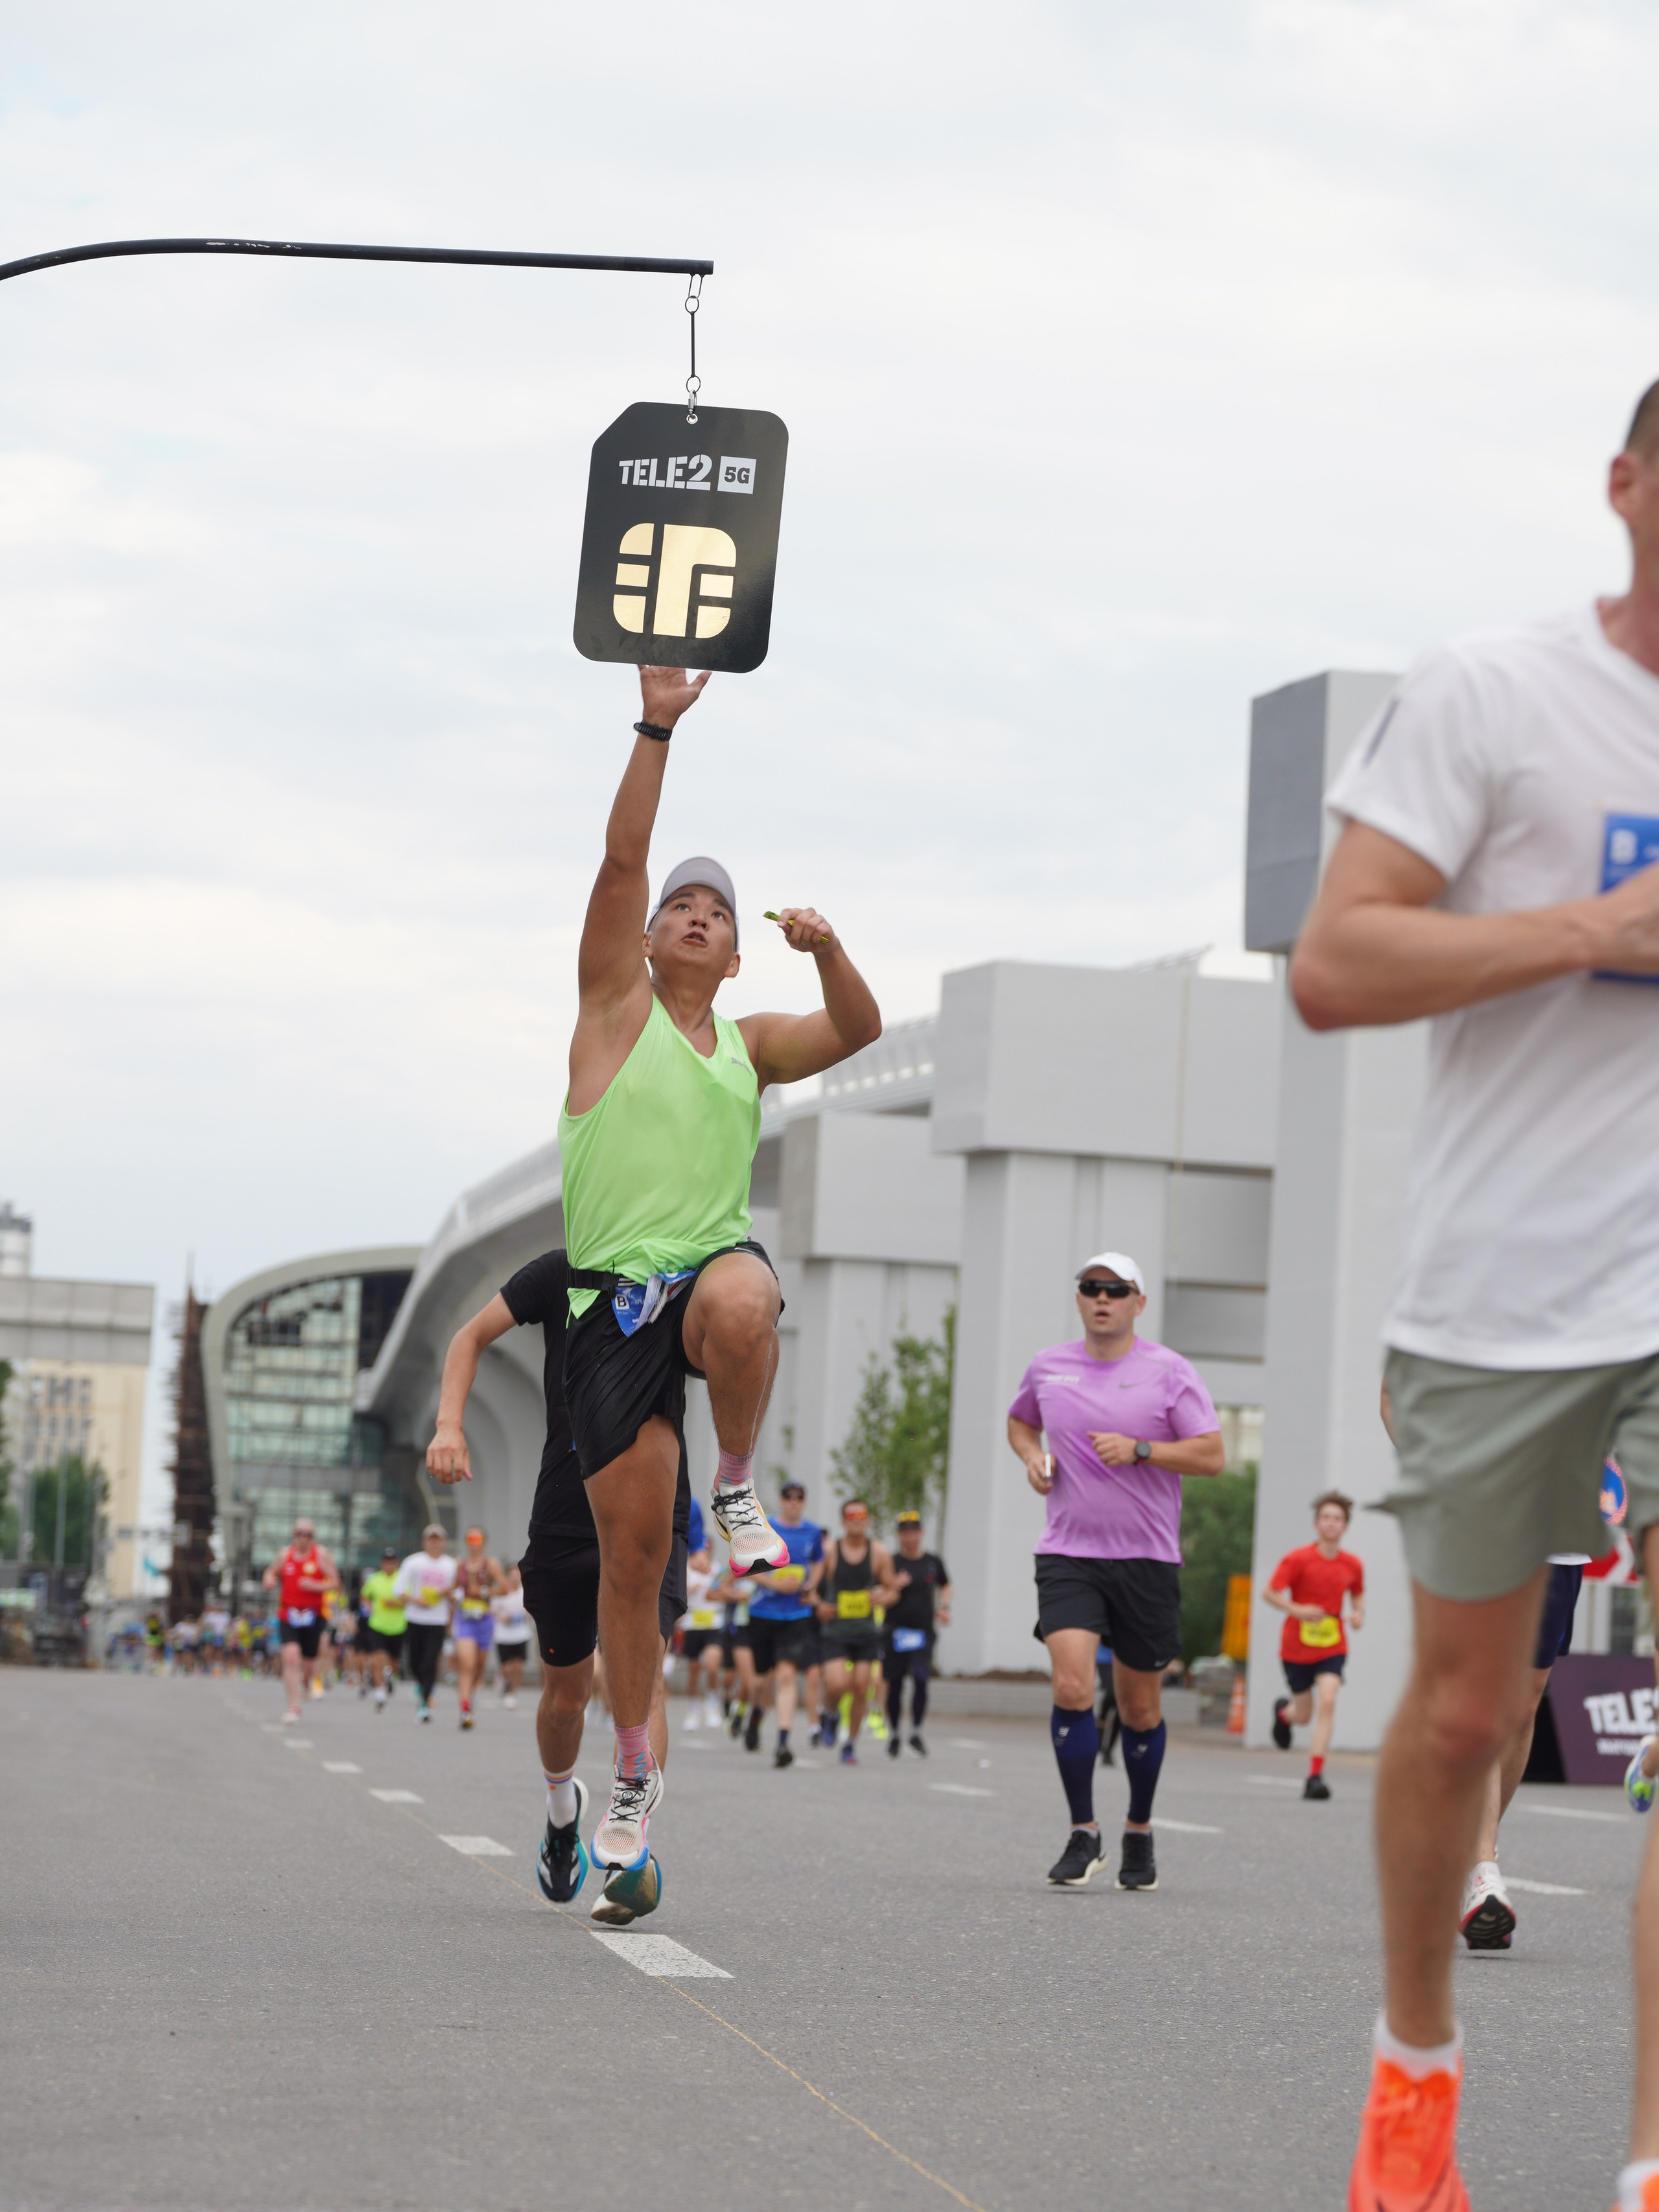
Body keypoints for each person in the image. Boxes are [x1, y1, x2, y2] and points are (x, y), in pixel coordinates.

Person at [1289, 378, 1659, 2212]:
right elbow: (1335, 960)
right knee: (1460, 1711)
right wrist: (1593, 928)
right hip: (1512, 1284)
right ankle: (1417, 2064)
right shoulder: (1501, 693)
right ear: (1625, 484)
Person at [556, 664, 882, 1875]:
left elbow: (855, 1031)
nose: (697, 913)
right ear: (646, 944)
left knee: (748, 1284)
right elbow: (622, 861)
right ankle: (633, 1780)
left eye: (720, 911)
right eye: (682, 906)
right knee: (633, 1565)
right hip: (605, 1310)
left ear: (738, 955)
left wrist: (831, 948)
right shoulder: (611, 1011)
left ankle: (736, 1481)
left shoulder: (747, 1045)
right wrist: (656, 725)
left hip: (699, 1289)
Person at [427, 1246, 688, 1926]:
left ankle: (630, 1847)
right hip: (566, 1515)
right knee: (565, 1697)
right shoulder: (559, 1270)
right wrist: (450, 1424)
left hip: (656, 1502)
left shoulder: (683, 1264)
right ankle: (560, 1806)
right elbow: (469, 1336)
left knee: (646, 1677)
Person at [1007, 1253, 1224, 1892]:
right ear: (1079, 1298)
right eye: (1090, 1287)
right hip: (1069, 1552)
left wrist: (1143, 1450)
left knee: (1138, 1707)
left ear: (1138, 1301)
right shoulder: (1049, 1366)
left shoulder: (1168, 1371)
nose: (1102, 1297)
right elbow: (1022, 1420)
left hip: (1146, 1559)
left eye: (1115, 1289)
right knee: (1072, 1685)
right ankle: (1083, 1830)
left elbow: (1211, 1454)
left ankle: (1138, 1827)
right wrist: (1031, 1456)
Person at [1265, 1492, 1365, 1801]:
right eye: (1326, 1518)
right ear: (1316, 1524)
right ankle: (1285, 1715)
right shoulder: (1298, 1559)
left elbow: (1358, 1596)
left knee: (1328, 1701)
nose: (1331, 1523)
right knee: (1304, 1715)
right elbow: (1270, 1593)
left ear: (1345, 1527)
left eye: (1338, 1519)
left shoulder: (1353, 1564)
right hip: (1296, 1645)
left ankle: (1315, 1776)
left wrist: (1358, 1614)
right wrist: (1296, 1609)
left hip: (1333, 1645)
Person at [742, 1478, 825, 1768]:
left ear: (804, 1501)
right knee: (761, 1680)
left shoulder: (813, 1532)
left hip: (795, 1617)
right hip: (764, 1613)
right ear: (781, 1500)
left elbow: (819, 1563)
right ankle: (755, 1713)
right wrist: (775, 1585)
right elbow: (747, 1567)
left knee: (787, 1677)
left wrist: (810, 1587)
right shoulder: (764, 1529)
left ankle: (782, 1741)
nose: (794, 1501)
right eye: (788, 1496)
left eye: (799, 1497)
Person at [816, 1499, 896, 1765]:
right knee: (836, 1683)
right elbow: (811, 1587)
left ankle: (850, 1743)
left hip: (865, 1631)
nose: (857, 1520)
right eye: (851, 1516)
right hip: (836, 1629)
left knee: (862, 1688)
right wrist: (820, 1606)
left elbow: (893, 1589)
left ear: (868, 1520)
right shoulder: (830, 1551)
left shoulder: (879, 1553)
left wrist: (880, 1597)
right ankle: (830, 1712)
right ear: (843, 1521)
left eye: (862, 1516)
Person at [881, 1511, 951, 1758]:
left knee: (922, 1678)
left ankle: (916, 1731)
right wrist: (892, 1585)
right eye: (905, 1532)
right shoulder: (891, 1562)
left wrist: (944, 1608)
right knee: (896, 1683)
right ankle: (894, 1734)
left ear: (921, 1533)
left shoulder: (933, 1562)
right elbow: (877, 1590)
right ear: (899, 1535)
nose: (910, 1536)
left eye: (914, 1531)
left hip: (922, 1632)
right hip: (895, 1631)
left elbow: (946, 1585)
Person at [261, 1518, 341, 1723]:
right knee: (290, 1657)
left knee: (307, 1663)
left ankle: (307, 1681)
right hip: (288, 1614)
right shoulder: (284, 1555)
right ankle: (293, 1707)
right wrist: (269, 1580)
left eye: (308, 1535)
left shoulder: (321, 1555)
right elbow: (271, 1571)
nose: (303, 1538)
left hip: (313, 1616)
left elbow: (335, 1582)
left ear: (313, 1537)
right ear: (294, 1534)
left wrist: (316, 1586)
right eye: (300, 1533)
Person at [393, 1526, 458, 1723]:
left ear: (444, 1543)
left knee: (430, 1661)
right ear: (425, 1542)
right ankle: (423, 1687)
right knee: (415, 1662)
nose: (435, 1543)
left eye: (438, 1540)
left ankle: (425, 1703)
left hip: (437, 1620)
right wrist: (415, 1600)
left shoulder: (452, 1566)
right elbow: (399, 1589)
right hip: (415, 1618)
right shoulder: (414, 1562)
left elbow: (459, 1594)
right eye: (431, 1540)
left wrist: (447, 1594)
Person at [452, 1527, 505, 1730]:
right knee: (467, 1663)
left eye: (478, 1540)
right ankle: (465, 1709)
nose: (474, 1544)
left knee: (478, 1667)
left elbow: (504, 1588)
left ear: (484, 1543)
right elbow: (452, 1587)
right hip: (464, 1619)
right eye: (470, 1540)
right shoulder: (459, 1565)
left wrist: (483, 1591)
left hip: (484, 1620)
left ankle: (469, 1696)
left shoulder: (491, 1564)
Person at [360, 1545, 406, 1711]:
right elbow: (365, 1595)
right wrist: (368, 1605)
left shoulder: (403, 1579)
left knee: (394, 1662)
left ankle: (390, 1676)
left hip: (398, 1626)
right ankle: (380, 1693)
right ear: (382, 1563)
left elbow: (409, 1599)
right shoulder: (374, 1579)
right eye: (386, 1562)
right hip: (377, 1625)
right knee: (377, 1659)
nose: (389, 1565)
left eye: (392, 1562)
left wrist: (395, 1604)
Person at [493, 1567, 531, 1708]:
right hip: (503, 1636)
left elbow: (531, 1611)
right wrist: (502, 1618)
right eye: (512, 1576)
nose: (515, 1578)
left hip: (521, 1635)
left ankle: (512, 1693)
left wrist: (522, 1617)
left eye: (517, 1576)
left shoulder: (525, 1593)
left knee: (519, 1667)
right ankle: (502, 1677)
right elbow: (492, 1610)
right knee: (507, 1668)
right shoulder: (501, 1593)